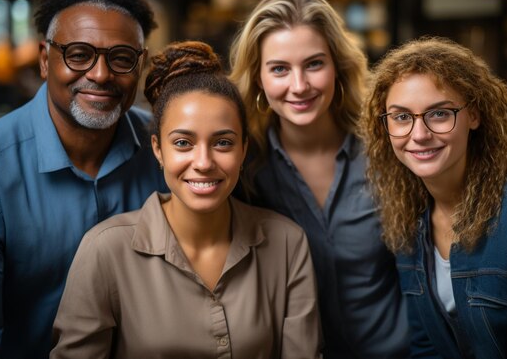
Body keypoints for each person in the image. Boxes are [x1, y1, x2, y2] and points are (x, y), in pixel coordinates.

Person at [228, 0, 507, 359]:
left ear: (338, 67)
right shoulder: (242, 169)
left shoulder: (390, 148)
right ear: (258, 78)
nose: (299, 85)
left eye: (314, 64)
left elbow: (469, 182)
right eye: (278, 69)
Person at [50, 40, 322, 358]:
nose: (204, 162)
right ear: (157, 149)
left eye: (223, 143)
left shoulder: (288, 243)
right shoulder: (106, 250)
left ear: (244, 150)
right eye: (183, 142)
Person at [0, 0, 168, 358]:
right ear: (44, 59)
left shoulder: (169, 150)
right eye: (79, 55)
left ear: (140, 65)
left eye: (121, 59)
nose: (100, 75)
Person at [360, 36, 507, 358]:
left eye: (439, 114)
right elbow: (425, 346)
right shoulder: (406, 217)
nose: (419, 135)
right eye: (402, 117)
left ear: (473, 116)